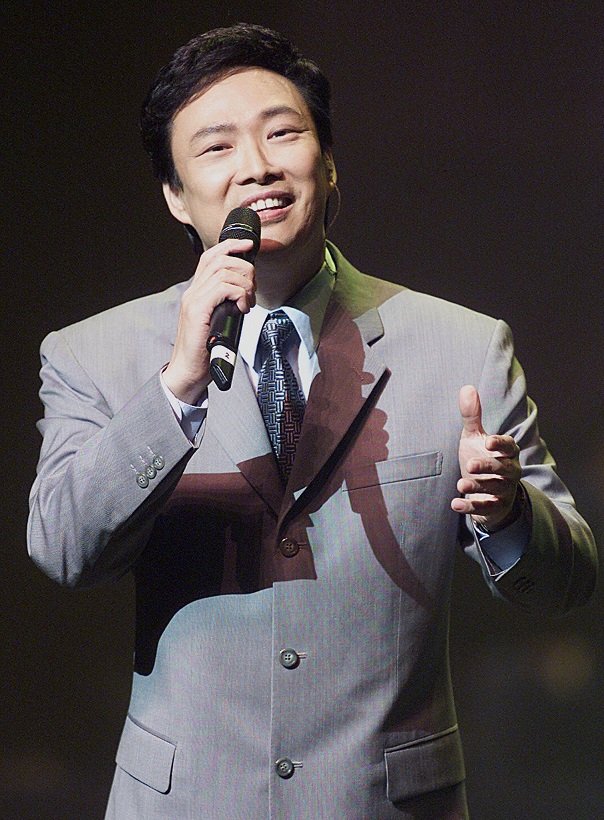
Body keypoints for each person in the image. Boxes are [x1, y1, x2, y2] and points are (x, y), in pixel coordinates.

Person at [27, 23, 596, 819]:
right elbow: (62, 550)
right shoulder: (95, 354)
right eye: (217, 147)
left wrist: (505, 514)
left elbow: (567, 580)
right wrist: (178, 387)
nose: (257, 165)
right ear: (175, 196)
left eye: (283, 133)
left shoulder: (463, 344)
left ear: (327, 166)